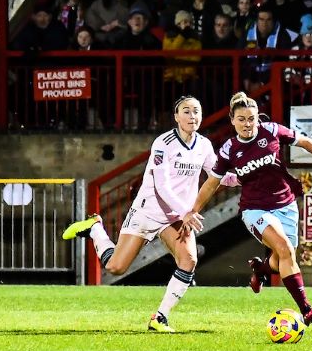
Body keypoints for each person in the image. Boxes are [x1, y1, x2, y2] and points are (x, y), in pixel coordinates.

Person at [61, 96, 237, 333]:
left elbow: (217, 175)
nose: (192, 116)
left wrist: (243, 176)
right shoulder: (163, 143)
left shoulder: (204, 145)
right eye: (186, 111)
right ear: (176, 117)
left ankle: (160, 318)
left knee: (189, 260)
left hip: (176, 217)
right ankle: (95, 228)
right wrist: (186, 211)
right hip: (149, 210)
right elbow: (162, 187)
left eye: (196, 111)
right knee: (115, 268)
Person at [181, 91, 312, 326]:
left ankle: (261, 268)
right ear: (232, 120)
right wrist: (194, 209)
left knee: (282, 260)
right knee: (285, 248)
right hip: (255, 209)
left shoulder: (272, 131)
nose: (248, 124)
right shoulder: (229, 149)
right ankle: (306, 308)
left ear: (258, 118)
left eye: (252, 118)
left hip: (285, 204)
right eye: (242, 119)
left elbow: (305, 141)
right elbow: (211, 183)